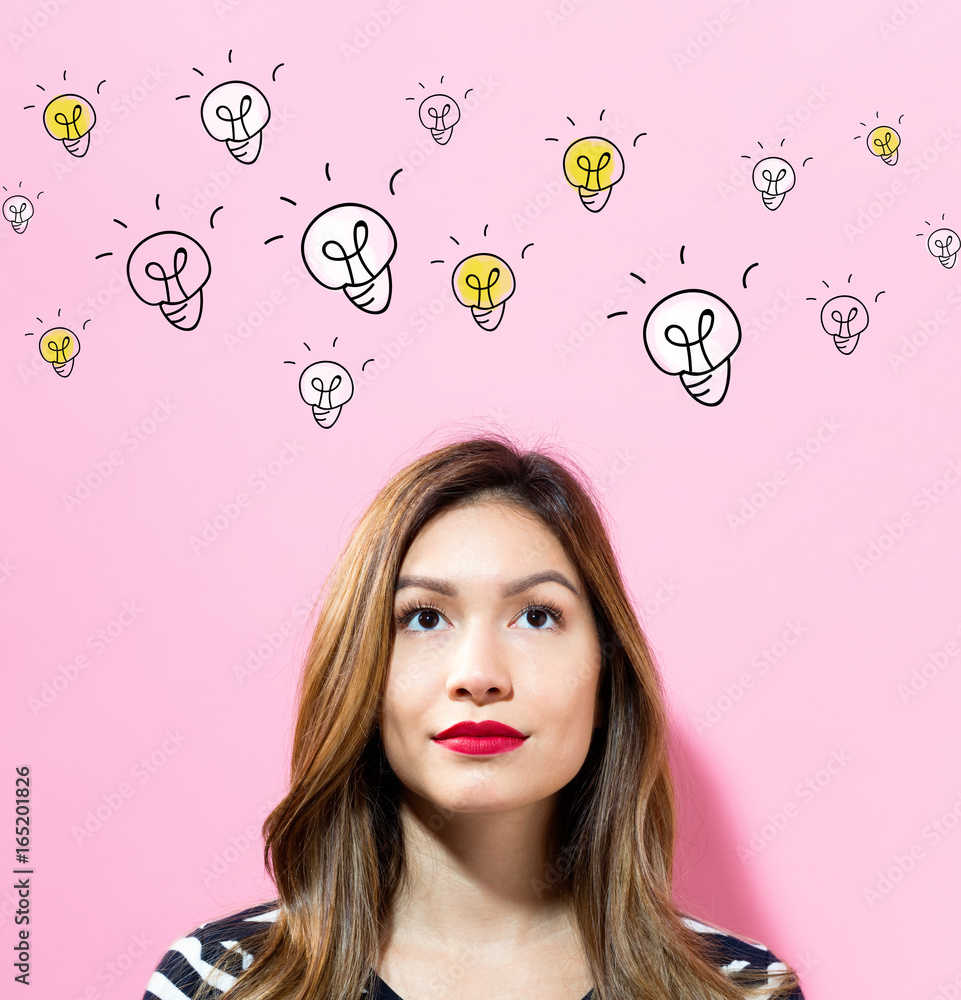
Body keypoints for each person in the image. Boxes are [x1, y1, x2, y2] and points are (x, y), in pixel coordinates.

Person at [142, 434, 804, 1000]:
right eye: (424, 618)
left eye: (536, 616)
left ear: (605, 682)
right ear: (361, 675)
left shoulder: (740, 989)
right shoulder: (223, 982)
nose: (478, 675)